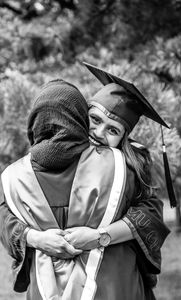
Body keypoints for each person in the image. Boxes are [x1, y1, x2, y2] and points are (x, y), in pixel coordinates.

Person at [0, 68, 170, 300]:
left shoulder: (131, 165)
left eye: (113, 130)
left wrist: (101, 236)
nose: (99, 133)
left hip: (113, 277)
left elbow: (151, 215)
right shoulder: (48, 156)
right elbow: (6, 213)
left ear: (124, 137)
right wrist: (36, 238)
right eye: (95, 120)